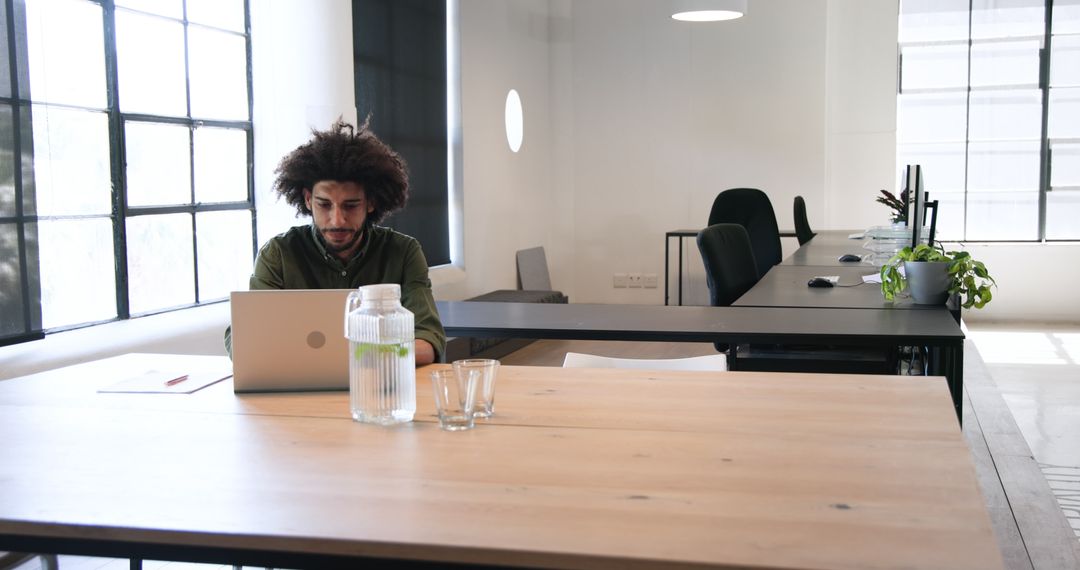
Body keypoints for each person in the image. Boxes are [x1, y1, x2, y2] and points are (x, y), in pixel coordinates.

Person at [225, 118, 445, 364]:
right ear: (308, 200)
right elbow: (242, 341)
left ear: (371, 202)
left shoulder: (403, 252)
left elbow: (428, 342)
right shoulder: (278, 255)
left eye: (351, 206)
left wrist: (363, 357)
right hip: (300, 393)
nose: (337, 220)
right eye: (324, 204)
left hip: (381, 388)